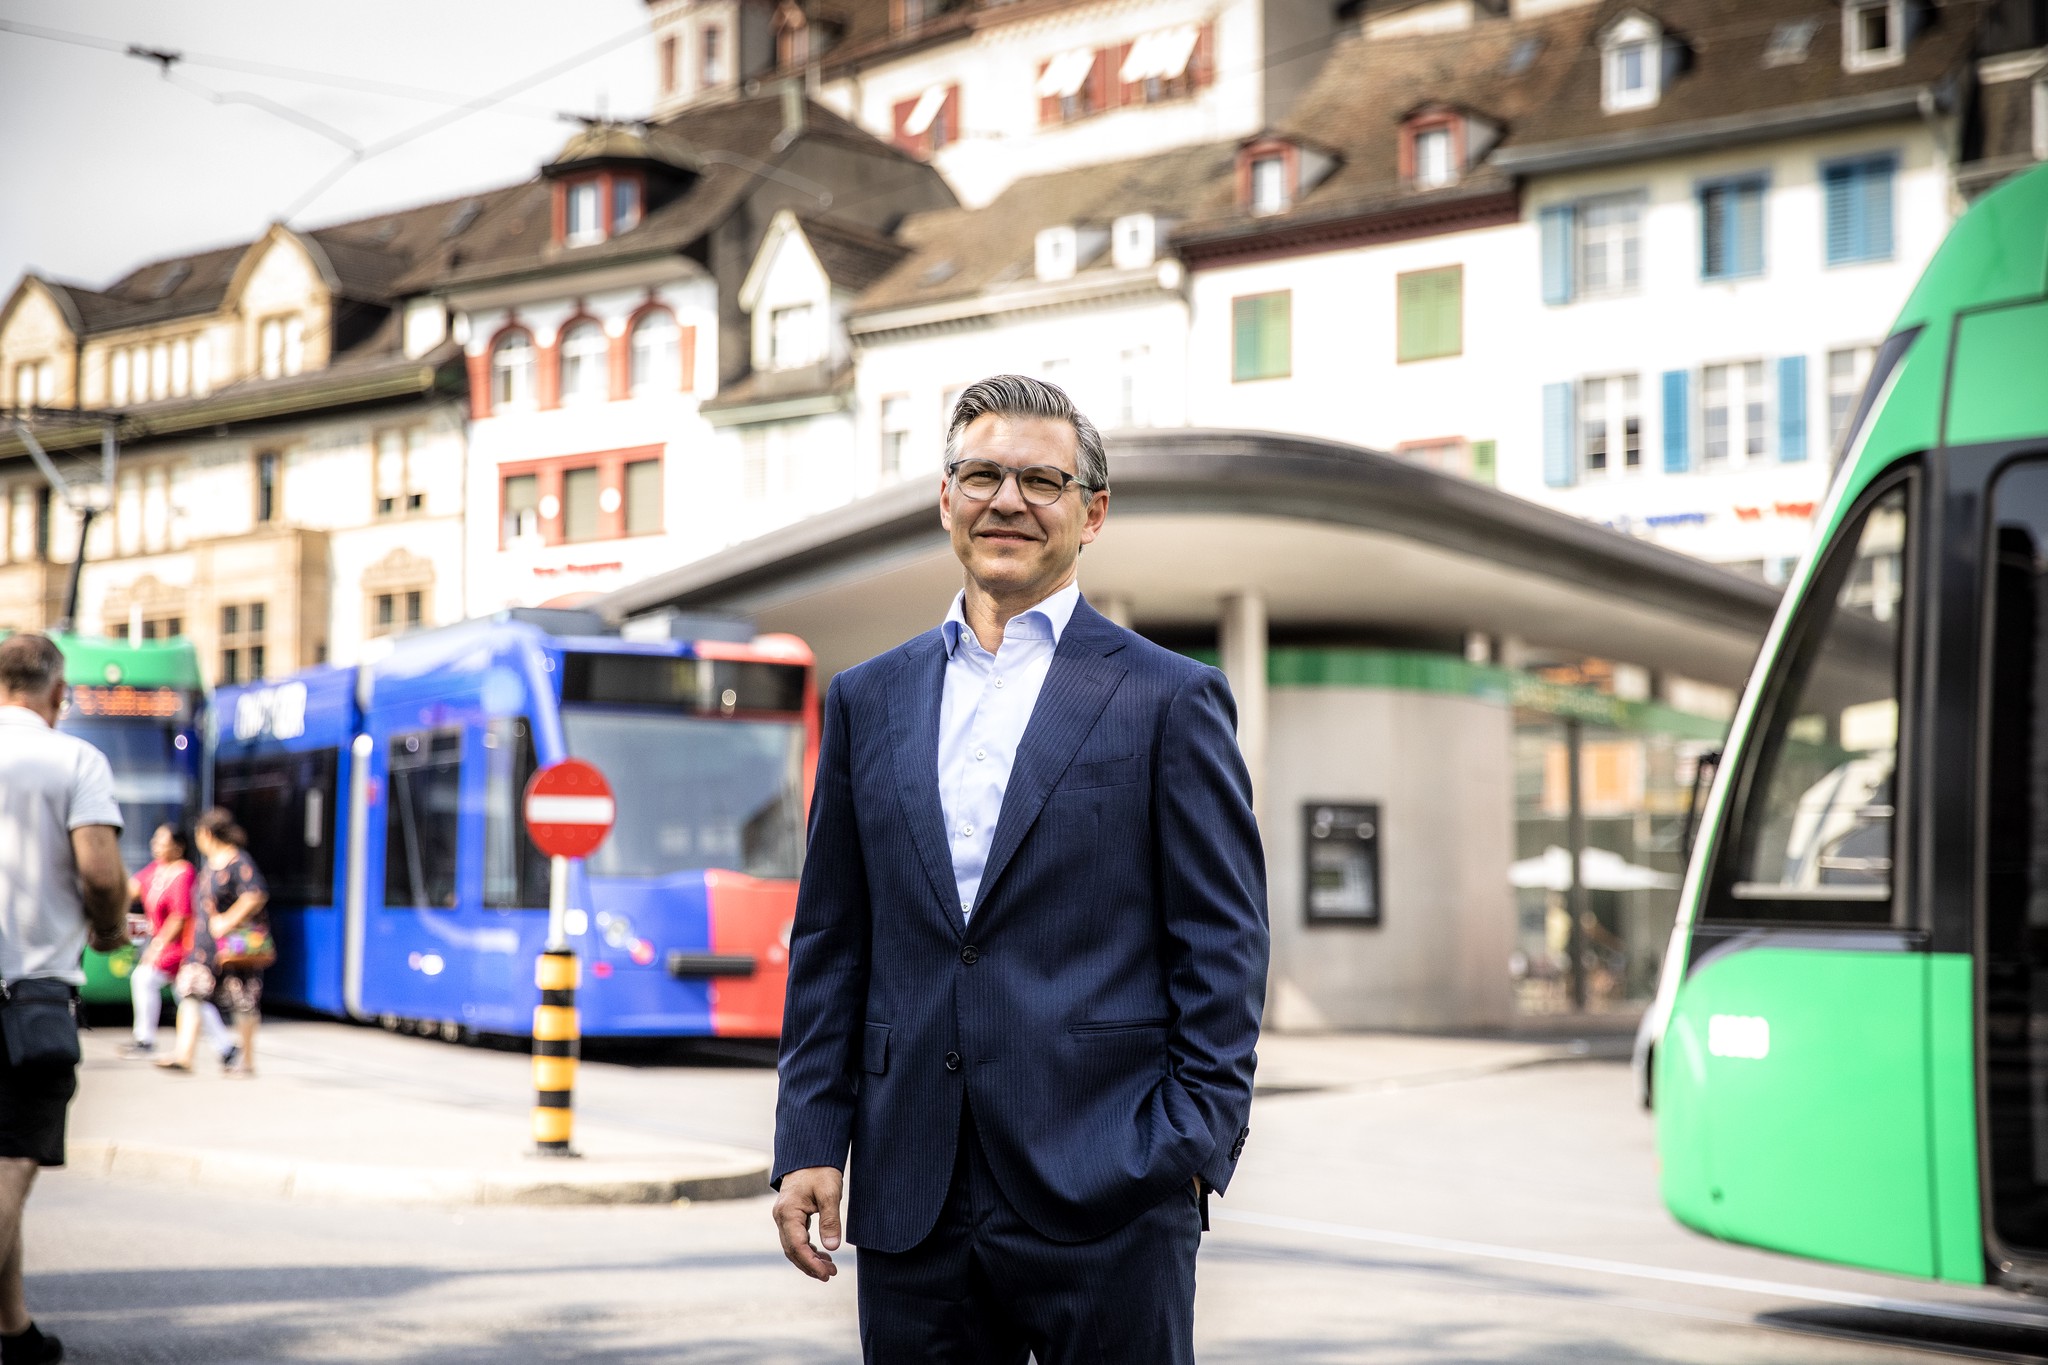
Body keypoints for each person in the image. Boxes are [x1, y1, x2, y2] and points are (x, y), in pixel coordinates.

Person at [772, 375, 1270, 1362]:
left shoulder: (1168, 698)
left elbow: (1223, 944)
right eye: (982, 475)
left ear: (1093, 513)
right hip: (912, 1194)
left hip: (1112, 1190)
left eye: (1042, 480)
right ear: (944, 498)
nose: (1008, 500)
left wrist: (1187, 1147)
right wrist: (810, 1139)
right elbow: (832, 941)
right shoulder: (867, 700)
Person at [0, 632, 128, 1364]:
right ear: (57, 693)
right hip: (30, 996)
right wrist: (108, 931)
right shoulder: (74, 759)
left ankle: (14, 1329)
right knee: (13, 1160)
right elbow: (101, 873)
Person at [158, 809, 268, 1078]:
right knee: (191, 993)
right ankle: (184, 1056)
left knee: (243, 1003)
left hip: (234, 948)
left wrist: (227, 921)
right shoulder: (210, 864)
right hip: (204, 948)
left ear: (207, 834)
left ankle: (247, 1062)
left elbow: (255, 895)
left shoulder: (239, 861)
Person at [116, 824, 193, 1059]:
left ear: (178, 847)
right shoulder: (156, 870)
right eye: (155, 840)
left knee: (144, 978)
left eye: (162, 841)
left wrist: (157, 946)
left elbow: (180, 916)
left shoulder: (183, 873)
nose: (155, 845)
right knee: (191, 998)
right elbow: (131, 890)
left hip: (180, 947)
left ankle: (145, 1040)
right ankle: (226, 1048)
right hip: (165, 945)